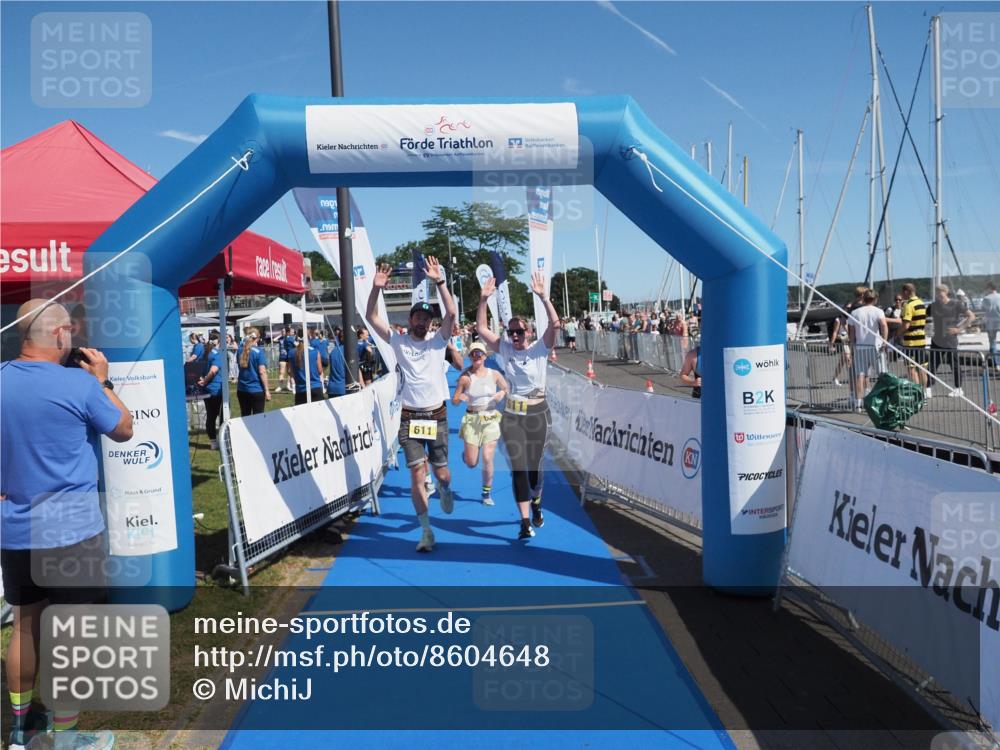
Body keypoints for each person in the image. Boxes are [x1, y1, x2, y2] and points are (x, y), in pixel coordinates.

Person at [2, 299, 133, 750]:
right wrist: (103, 380)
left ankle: (21, 731)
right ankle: (66, 738)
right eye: (70, 333)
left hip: (16, 528)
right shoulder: (79, 384)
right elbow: (124, 427)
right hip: (71, 530)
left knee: (25, 627)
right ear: (59, 334)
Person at [366, 257, 456, 553]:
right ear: (409, 320)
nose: (422, 321)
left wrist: (440, 282)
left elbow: (452, 312)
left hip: (436, 416)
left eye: (426, 318)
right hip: (410, 419)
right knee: (417, 474)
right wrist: (376, 289)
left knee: (441, 473)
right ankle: (426, 531)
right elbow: (371, 316)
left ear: (431, 323)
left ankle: (444, 487)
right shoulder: (398, 341)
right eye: (417, 317)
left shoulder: (438, 342)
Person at [477, 270, 559, 540]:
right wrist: (482, 300)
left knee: (534, 468)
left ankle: (537, 502)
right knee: (518, 467)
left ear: (529, 331)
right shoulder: (506, 349)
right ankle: (524, 522)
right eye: (511, 331)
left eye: (519, 331)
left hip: (537, 415)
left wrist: (544, 298)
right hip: (513, 415)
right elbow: (481, 329)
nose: (514, 335)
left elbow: (555, 325)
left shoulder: (539, 348)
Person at [452, 341, 509, 506]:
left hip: (491, 418)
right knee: (471, 463)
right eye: (473, 354)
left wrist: (501, 393)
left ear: (485, 356)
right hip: (472, 420)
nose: (477, 357)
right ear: (470, 357)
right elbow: (454, 400)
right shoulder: (465, 377)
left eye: (480, 354)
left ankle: (486, 493)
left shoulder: (494, 374)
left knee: (487, 456)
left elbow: (507, 388)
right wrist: (460, 398)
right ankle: (467, 456)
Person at [928, 284, 974, 398]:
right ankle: (928, 388)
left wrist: (959, 329)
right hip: (937, 340)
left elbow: (971, 316)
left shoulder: (956, 304)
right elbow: (921, 315)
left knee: (954, 365)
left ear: (946, 292)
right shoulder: (933, 306)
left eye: (940, 292)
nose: (938, 294)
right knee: (932, 365)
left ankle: (958, 389)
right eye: (937, 292)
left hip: (950, 340)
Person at [847, 288, 889, 410]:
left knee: (859, 375)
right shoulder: (878, 311)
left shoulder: (855, 312)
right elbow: (884, 326)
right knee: (882, 374)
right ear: (875, 299)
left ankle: (858, 403)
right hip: (876, 346)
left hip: (860, 346)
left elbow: (851, 332)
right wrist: (885, 341)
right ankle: (883, 401)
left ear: (863, 298)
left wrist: (852, 345)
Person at [898, 282, 930, 396]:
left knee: (911, 369)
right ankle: (925, 393)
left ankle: (917, 394)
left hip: (910, 341)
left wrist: (897, 333)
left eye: (902, 292)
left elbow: (906, 325)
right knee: (922, 368)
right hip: (921, 339)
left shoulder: (908, 305)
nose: (902, 295)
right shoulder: (921, 303)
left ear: (906, 292)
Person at [196, 333, 225, 449]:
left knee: (211, 416)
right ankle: (224, 442)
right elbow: (213, 371)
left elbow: (197, 368)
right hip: (216, 389)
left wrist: (202, 381)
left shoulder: (204, 353)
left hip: (207, 390)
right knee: (223, 416)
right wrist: (205, 381)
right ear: (218, 341)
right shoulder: (217, 354)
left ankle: (213, 442)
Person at [236, 328, 270, 415]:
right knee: (258, 419)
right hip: (256, 390)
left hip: (242, 389)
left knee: (245, 416)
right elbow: (262, 372)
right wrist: (266, 390)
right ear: (257, 338)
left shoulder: (240, 350)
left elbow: (240, 367)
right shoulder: (259, 352)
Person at [292, 330, 325, 405]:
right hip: (315, 387)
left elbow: (291, 372)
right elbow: (320, 371)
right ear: (309, 337)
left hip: (300, 389)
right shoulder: (315, 352)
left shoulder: (292, 353)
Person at [983, 281, 1000, 371]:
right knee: (993, 344)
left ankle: (997, 364)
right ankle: (993, 361)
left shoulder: (986, 298)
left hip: (990, 323)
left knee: (992, 343)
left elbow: (984, 310)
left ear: (989, 288)